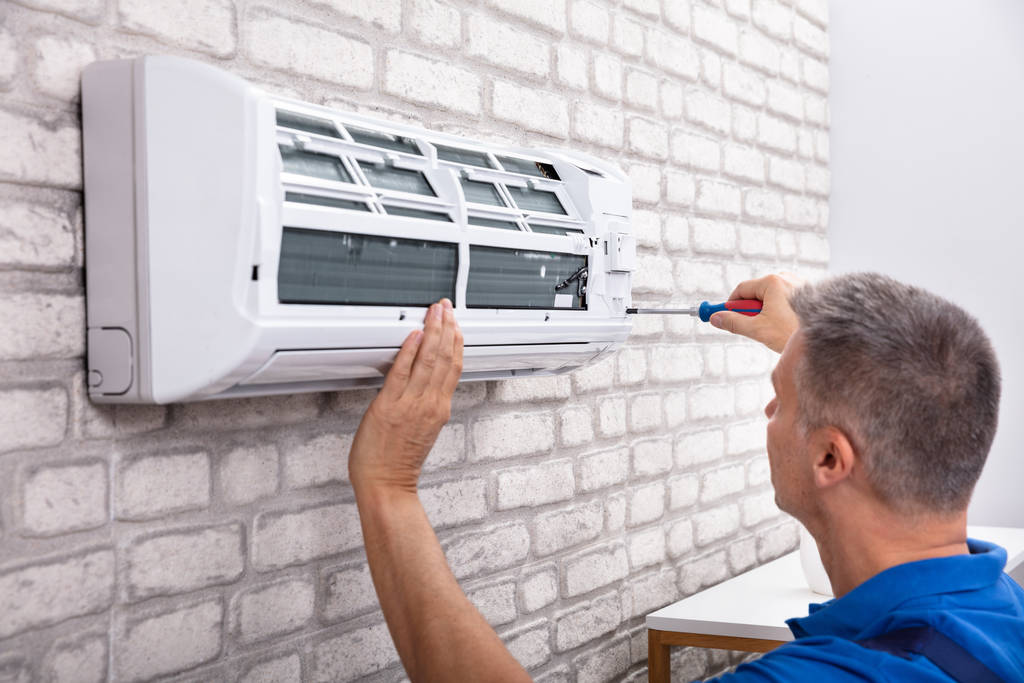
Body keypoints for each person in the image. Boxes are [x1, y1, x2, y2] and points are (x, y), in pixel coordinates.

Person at [347, 273, 1024, 682]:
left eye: (780, 398)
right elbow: (917, 370)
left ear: (829, 459)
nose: (769, 411)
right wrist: (812, 345)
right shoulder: (998, 610)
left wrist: (389, 487)